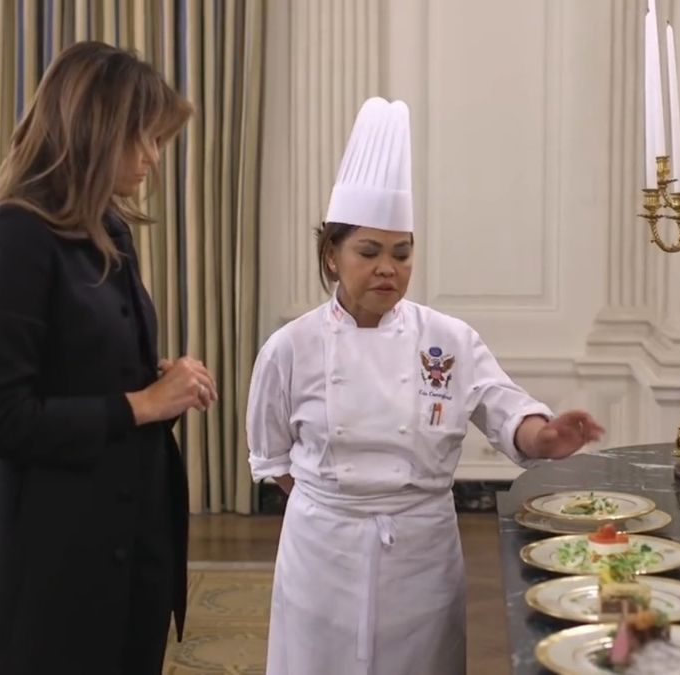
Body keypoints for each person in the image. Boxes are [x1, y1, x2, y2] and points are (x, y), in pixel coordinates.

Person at [245, 97, 605, 675]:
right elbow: (271, 457)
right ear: (331, 256)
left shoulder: (448, 339)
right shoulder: (291, 347)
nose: (388, 268)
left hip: (422, 553)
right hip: (321, 555)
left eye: (402, 253)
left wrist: (544, 436)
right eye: (369, 252)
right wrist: (334, 506)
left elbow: (503, 408)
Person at [0, 41, 216, 675]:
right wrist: (142, 403)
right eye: (144, 138)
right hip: (54, 569)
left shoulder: (107, 227)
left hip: (127, 550)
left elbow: (93, 378)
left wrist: (165, 393)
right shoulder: (15, 234)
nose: (154, 156)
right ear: (95, 130)